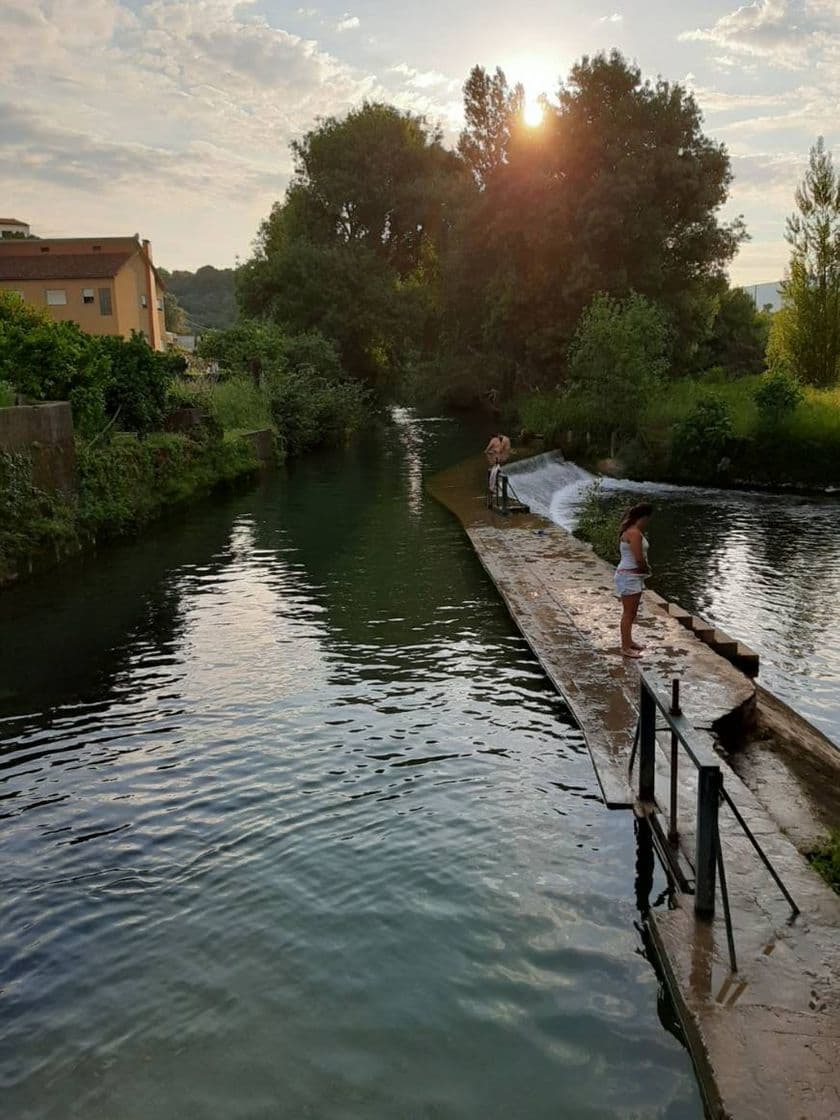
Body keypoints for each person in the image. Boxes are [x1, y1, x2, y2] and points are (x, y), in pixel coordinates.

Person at [615, 502, 654, 659]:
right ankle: (625, 647)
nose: (648, 522)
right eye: (648, 519)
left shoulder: (631, 531)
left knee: (632, 612)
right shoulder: (634, 533)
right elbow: (638, 558)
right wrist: (646, 569)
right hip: (629, 576)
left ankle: (629, 641)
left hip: (632, 576)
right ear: (643, 517)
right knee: (628, 613)